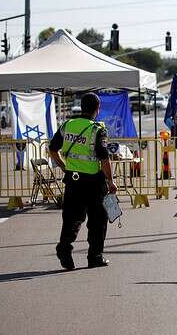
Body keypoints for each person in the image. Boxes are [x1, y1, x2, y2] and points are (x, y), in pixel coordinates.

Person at [49, 93, 118, 270]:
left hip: (73, 181)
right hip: (94, 183)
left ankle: (64, 248)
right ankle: (95, 257)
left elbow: (53, 150)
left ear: (82, 107)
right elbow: (104, 159)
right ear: (98, 108)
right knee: (98, 220)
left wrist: (65, 168)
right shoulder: (97, 129)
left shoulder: (67, 125)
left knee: (71, 219)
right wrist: (110, 180)